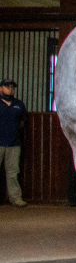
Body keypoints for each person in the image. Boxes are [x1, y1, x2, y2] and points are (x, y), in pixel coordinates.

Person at [0, 79, 27, 207]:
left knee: (13, 172)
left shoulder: (19, 104)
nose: (10, 89)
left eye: (12, 87)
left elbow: (23, 122)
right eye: (7, 86)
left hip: (14, 143)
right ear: (1, 88)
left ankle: (15, 198)